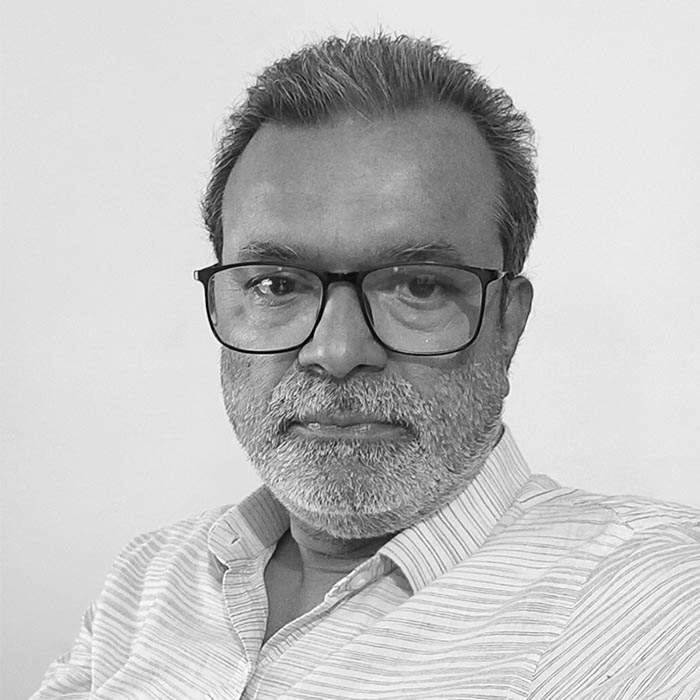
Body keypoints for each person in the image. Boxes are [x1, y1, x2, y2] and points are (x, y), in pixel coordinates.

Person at [31, 33, 700, 700]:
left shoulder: (659, 601)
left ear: (508, 323)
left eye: (419, 286)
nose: (337, 351)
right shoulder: (149, 577)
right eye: (276, 284)